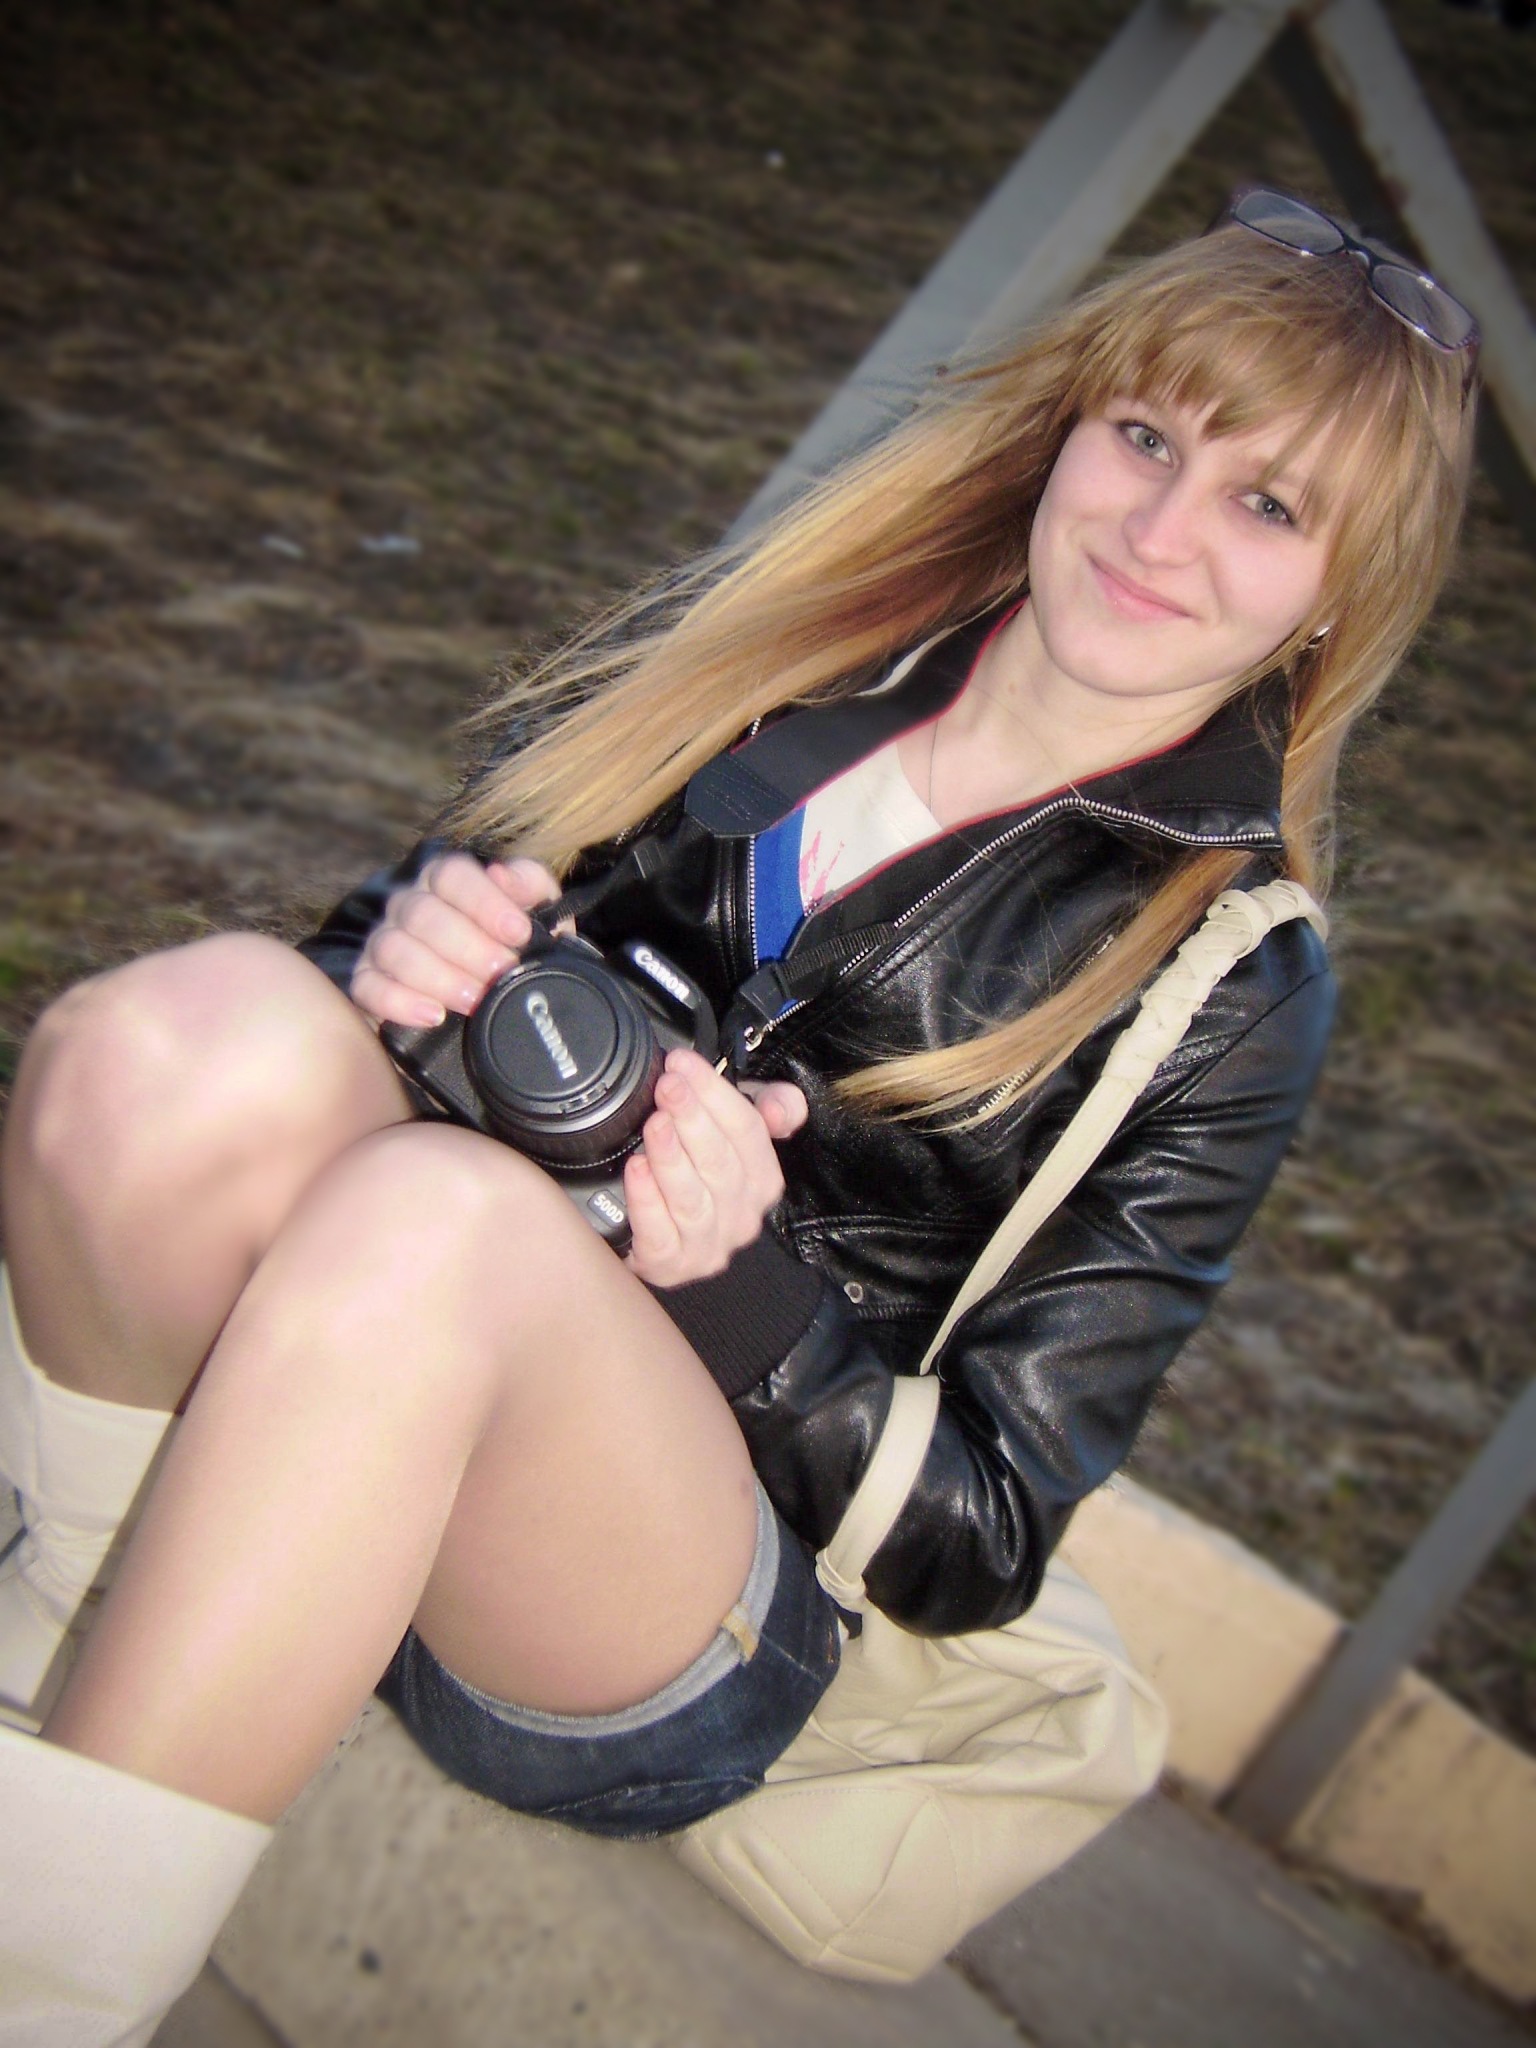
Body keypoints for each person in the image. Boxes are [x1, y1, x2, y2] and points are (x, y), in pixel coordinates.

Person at [0, 190, 1476, 2037]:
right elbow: (408, 964)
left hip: (659, 1588)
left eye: (1267, 507)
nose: (1160, 531)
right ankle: (63, 1635)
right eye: (1148, 438)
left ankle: (40, 1994)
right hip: (381, 1343)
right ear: (1071, 421)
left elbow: (981, 1536)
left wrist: (742, 1290)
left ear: (1340, 591)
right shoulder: (811, 626)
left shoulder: (1231, 974)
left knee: (438, 1226)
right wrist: (409, 949)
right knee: (163, 1046)